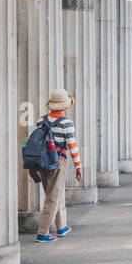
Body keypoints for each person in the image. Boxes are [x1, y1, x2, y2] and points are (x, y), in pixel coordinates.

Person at [32, 87, 83, 243]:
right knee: (53, 197)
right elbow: (72, 145)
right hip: (57, 162)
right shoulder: (66, 123)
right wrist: (78, 166)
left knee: (52, 194)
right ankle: (43, 233)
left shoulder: (41, 119)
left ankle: (61, 227)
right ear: (65, 105)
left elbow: (37, 142)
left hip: (41, 161)